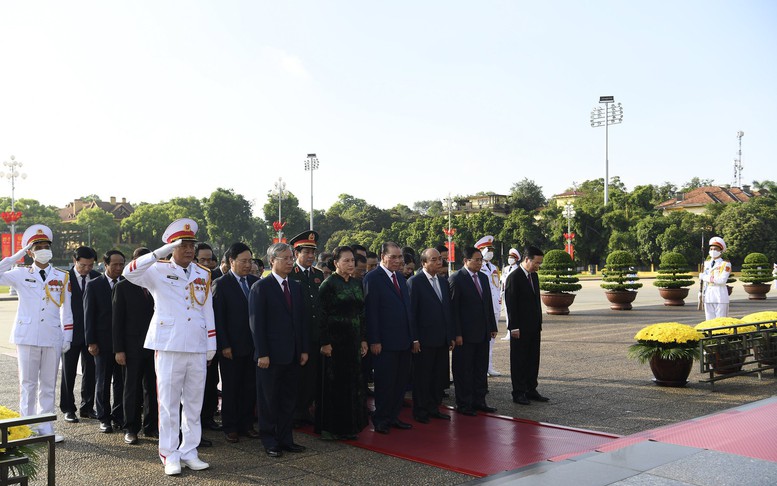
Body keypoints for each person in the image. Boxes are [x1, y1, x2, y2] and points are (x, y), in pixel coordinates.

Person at [122, 218, 216, 476]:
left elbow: (206, 309)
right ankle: (169, 453)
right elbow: (128, 272)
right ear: (172, 246)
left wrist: (211, 343)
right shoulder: (157, 269)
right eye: (182, 244)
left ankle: (190, 450)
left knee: (194, 403)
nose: (188, 249)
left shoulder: (202, 273)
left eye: (191, 245)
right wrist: (159, 252)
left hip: (196, 344)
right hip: (169, 342)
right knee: (169, 403)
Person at [0, 224, 72, 443]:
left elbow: (67, 309)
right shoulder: (20, 273)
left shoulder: (62, 276)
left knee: (48, 384)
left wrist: (68, 335)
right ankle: (26, 426)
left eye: (46, 246)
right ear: (30, 252)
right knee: (28, 384)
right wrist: (19, 254)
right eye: (38, 247)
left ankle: (45, 427)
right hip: (27, 335)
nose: (43, 250)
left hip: (52, 336)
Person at [248, 243, 309, 458]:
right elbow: (257, 324)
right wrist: (262, 353)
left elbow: (300, 322)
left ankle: (286, 439)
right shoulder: (261, 288)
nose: (290, 262)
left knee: (288, 399)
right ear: (272, 261)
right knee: (268, 400)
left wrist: (303, 350)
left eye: (291, 258)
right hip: (270, 357)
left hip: (292, 354)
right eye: (285, 258)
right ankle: (269, 440)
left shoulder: (296, 286)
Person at [316, 246, 369, 440]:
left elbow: (362, 313)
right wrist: (325, 342)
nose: (350, 264)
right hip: (335, 343)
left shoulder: (357, 283)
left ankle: (350, 427)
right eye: (345, 261)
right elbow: (321, 316)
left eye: (352, 261)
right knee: (335, 385)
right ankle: (331, 428)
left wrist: (363, 338)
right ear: (336, 263)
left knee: (353, 384)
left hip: (353, 341)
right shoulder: (328, 285)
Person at [364, 242, 415, 434]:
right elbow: (371, 311)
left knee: (400, 383)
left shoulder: (401, 278)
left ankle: (394, 417)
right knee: (385, 383)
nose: (398, 261)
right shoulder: (373, 278)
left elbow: (407, 309)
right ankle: (381, 419)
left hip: (403, 340)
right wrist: (374, 340)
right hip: (384, 342)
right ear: (382, 257)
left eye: (400, 257)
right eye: (393, 257)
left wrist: (412, 338)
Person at [212, 242, 259, 443]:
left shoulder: (256, 283)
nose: (248, 265)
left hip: (253, 346)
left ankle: (246, 424)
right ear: (231, 261)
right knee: (231, 387)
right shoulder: (221, 284)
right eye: (243, 261)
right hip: (231, 346)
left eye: (250, 261)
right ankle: (230, 426)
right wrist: (224, 345)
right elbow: (218, 318)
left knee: (250, 387)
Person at [113, 247, 157, 445]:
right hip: (131, 347)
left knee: (153, 388)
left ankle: (152, 426)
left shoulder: (158, 284)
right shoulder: (123, 287)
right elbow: (116, 321)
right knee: (131, 388)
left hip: (155, 345)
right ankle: (131, 428)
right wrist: (119, 349)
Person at [449, 246, 497, 416]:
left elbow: (488, 304)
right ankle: (464, 403)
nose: (479, 263)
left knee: (480, 368)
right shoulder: (456, 279)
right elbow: (453, 310)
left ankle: (479, 400)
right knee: (464, 370)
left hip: (482, 332)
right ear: (465, 261)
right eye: (476, 260)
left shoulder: (483, 278)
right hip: (465, 335)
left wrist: (492, 326)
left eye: (481, 260)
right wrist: (457, 333)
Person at [407, 248, 454, 423]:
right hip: (424, 340)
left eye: (440, 259)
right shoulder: (415, 282)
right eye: (434, 260)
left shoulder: (442, 281)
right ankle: (421, 411)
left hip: (441, 339)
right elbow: (411, 313)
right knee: (423, 377)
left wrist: (450, 335)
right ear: (424, 263)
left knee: (437, 376)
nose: (438, 262)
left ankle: (434, 407)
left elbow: (447, 310)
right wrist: (414, 338)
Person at [84, 250, 126, 434]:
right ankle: (104, 417)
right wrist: (91, 341)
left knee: (121, 382)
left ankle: (119, 416)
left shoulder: (126, 284)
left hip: (122, 344)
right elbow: (88, 316)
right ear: (105, 264)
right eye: (115, 264)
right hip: (101, 343)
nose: (118, 268)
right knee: (102, 381)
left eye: (121, 264)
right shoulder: (94, 285)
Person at [287, 231, 325, 428]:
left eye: (313, 252)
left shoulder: (318, 275)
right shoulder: (290, 275)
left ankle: (304, 410)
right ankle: (293, 412)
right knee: (296, 377)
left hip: (314, 335)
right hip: (297, 336)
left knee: (311, 377)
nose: (311, 256)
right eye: (306, 252)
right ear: (296, 254)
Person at [61, 246, 99, 423]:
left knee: (90, 371)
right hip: (70, 333)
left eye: (91, 265)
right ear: (75, 261)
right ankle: (68, 408)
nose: (87, 269)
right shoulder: (64, 278)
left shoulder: (97, 278)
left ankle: (87, 407)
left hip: (91, 334)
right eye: (83, 265)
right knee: (68, 372)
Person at [504, 246, 546, 405]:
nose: (538, 266)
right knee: (519, 360)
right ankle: (519, 392)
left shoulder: (533, 276)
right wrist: (513, 327)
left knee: (533, 359)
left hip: (534, 326)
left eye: (540, 263)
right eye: (536, 262)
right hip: (519, 328)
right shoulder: (514, 277)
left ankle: (531, 389)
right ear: (526, 259)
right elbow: (511, 304)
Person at [195, 242, 222, 432]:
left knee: (211, 382)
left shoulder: (217, 278)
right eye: (202, 259)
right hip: (195, 341)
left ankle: (208, 417)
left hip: (214, 341)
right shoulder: (189, 278)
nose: (207, 263)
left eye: (210, 259)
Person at [475, 236, 502, 377]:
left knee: (492, 340)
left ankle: (489, 366)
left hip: (494, 308)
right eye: (487, 249)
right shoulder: (478, 268)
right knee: (482, 340)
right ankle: (482, 367)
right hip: (484, 309)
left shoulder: (493, 267)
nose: (490, 252)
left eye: (491, 249)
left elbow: (496, 288)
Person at [700, 236, 732, 320]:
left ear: (721, 251)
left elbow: (722, 280)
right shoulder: (706, 263)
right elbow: (705, 283)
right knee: (709, 322)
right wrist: (701, 293)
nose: (712, 251)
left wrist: (705, 278)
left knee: (721, 323)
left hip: (720, 296)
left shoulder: (725, 264)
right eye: (711, 249)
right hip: (708, 296)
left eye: (715, 249)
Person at [500, 248, 521, 341]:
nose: (510, 259)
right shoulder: (506, 269)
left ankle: (513, 331)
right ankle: (508, 332)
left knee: (513, 313)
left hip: (513, 293)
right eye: (509, 257)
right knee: (507, 314)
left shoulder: (518, 269)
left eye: (512, 257)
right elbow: (502, 281)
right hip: (505, 293)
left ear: (516, 259)